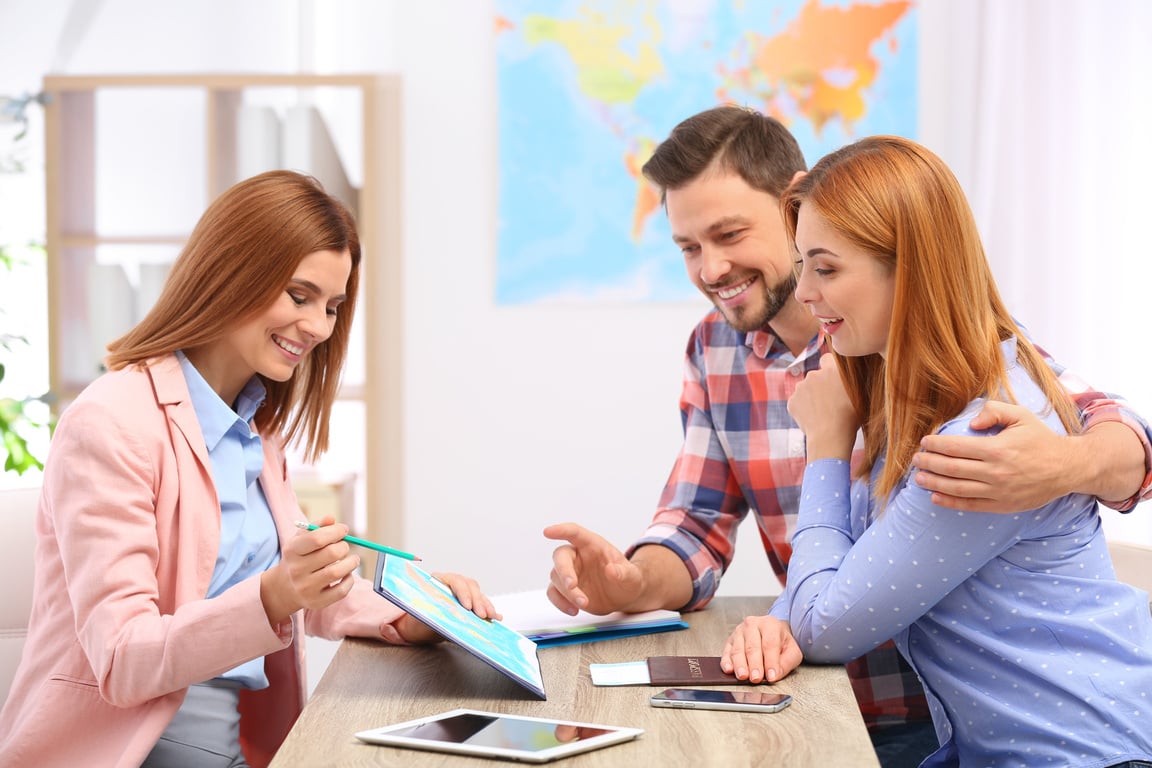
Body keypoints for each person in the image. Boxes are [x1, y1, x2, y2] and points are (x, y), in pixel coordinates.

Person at [543, 106, 1152, 767]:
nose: (711, 269)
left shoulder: (965, 394)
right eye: (689, 248)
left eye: (729, 234)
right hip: (873, 704)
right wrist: (634, 582)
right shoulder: (725, 350)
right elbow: (702, 522)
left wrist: (1063, 463)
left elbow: (1112, 432)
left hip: (945, 718)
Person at [0, 170, 498, 768]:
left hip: (232, 725)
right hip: (137, 737)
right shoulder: (109, 423)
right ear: (232, 272)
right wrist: (275, 593)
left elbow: (299, 593)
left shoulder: (253, 424)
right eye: (299, 295)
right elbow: (123, 659)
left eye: (333, 306)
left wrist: (415, 614)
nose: (318, 327)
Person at [723, 134, 1152, 766]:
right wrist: (781, 617)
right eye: (803, 264)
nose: (806, 293)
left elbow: (828, 630)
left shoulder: (980, 445)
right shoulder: (919, 390)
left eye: (827, 267)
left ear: (912, 269)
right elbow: (840, 577)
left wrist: (826, 448)